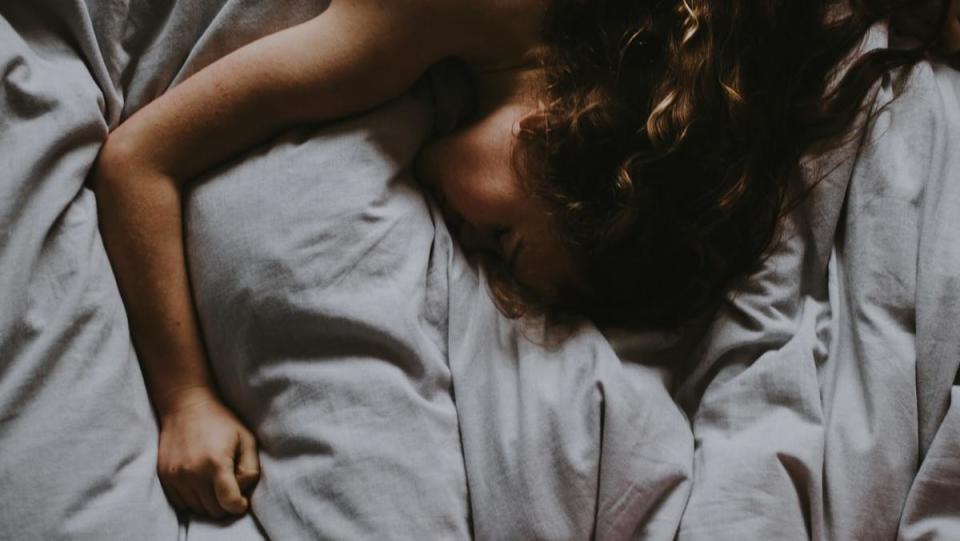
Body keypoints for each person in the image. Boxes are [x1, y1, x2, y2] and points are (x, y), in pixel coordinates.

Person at [91, 0, 959, 520]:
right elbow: (139, 162)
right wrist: (186, 398)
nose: (469, 244)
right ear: (572, 157)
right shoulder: (428, 19)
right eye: (501, 239)